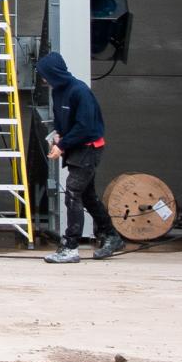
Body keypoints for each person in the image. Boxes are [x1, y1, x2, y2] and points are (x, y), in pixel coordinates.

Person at [36, 49, 123, 263]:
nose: (43, 79)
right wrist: (58, 135)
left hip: (89, 147)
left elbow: (85, 126)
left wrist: (62, 145)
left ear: (55, 73)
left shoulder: (80, 91)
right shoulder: (57, 91)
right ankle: (112, 235)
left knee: (73, 191)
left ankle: (71, 246)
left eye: (45, 74)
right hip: (75, 147)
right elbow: (61, 118)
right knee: (88, 196)